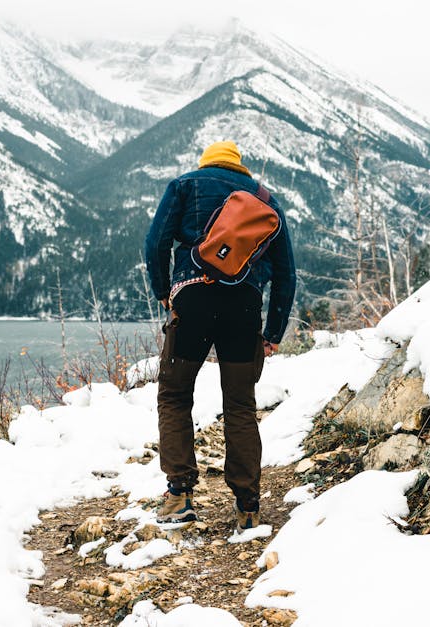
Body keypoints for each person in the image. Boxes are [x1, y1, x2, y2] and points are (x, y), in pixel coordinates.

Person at [144, 140, 296, 531]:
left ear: (206, 162)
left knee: (175, 395)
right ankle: (247, 505)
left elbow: (156, 242)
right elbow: (285, 273)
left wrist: (164, 291)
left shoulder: (184, 185)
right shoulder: (265, 201)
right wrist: (273, 330)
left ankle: (179, 495)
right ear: (239, 166)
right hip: (243, 306)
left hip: (192, 299)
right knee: (241, 405)